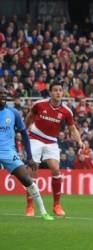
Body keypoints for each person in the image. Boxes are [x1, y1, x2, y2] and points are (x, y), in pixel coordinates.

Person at [25, 81, 84, 217]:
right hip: (35, 137)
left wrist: (79, 141)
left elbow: (72, 129)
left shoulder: (66, 111)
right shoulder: (39, 104)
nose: (58, 93)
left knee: (56, 169)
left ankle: (57, 205)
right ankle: (29, 206)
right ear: (50, 92)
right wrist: (24, 131)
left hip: (51, 141)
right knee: (32, 170)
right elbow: (29, 117)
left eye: (60, 90)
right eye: (55, 90)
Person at [0, 87, 53, 220]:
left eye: (4, 94)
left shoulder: (13, 113)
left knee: (27, 180)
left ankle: (43, 212)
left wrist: (29, 157)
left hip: (8, 152)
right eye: (0, 94)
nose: (2, 97)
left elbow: (24, 134)